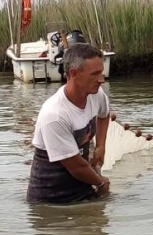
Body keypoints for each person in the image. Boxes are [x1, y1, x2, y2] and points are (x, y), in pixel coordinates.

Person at [27, 43, 112, 204]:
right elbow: (76, 167)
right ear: (73, 73)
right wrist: (101, 182)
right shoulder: (54, 115)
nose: (101, 79)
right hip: (51, 200)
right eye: (95, 74)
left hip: (84, 184)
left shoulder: (96, 95)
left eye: (101, 72)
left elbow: (104, 115)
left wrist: (101, 146)